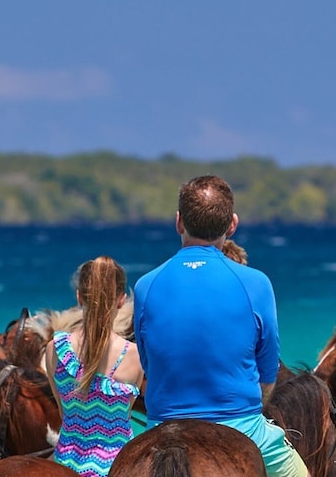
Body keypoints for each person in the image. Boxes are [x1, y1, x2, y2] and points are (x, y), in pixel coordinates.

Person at [132, 175, 309, 477]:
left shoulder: (146, 286)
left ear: (178, 223)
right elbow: (267, 374)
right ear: (232, 225)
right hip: (241, 426)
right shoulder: (256, 283)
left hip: (161, 427)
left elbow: (149, 363)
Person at [47, 256, 144, 477]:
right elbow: (124, 417)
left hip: (65, 465)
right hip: (119, 467)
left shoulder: (54, 349)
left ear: (79, 297)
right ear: (121, 300)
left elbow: (64, 414)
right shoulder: (135, 356)